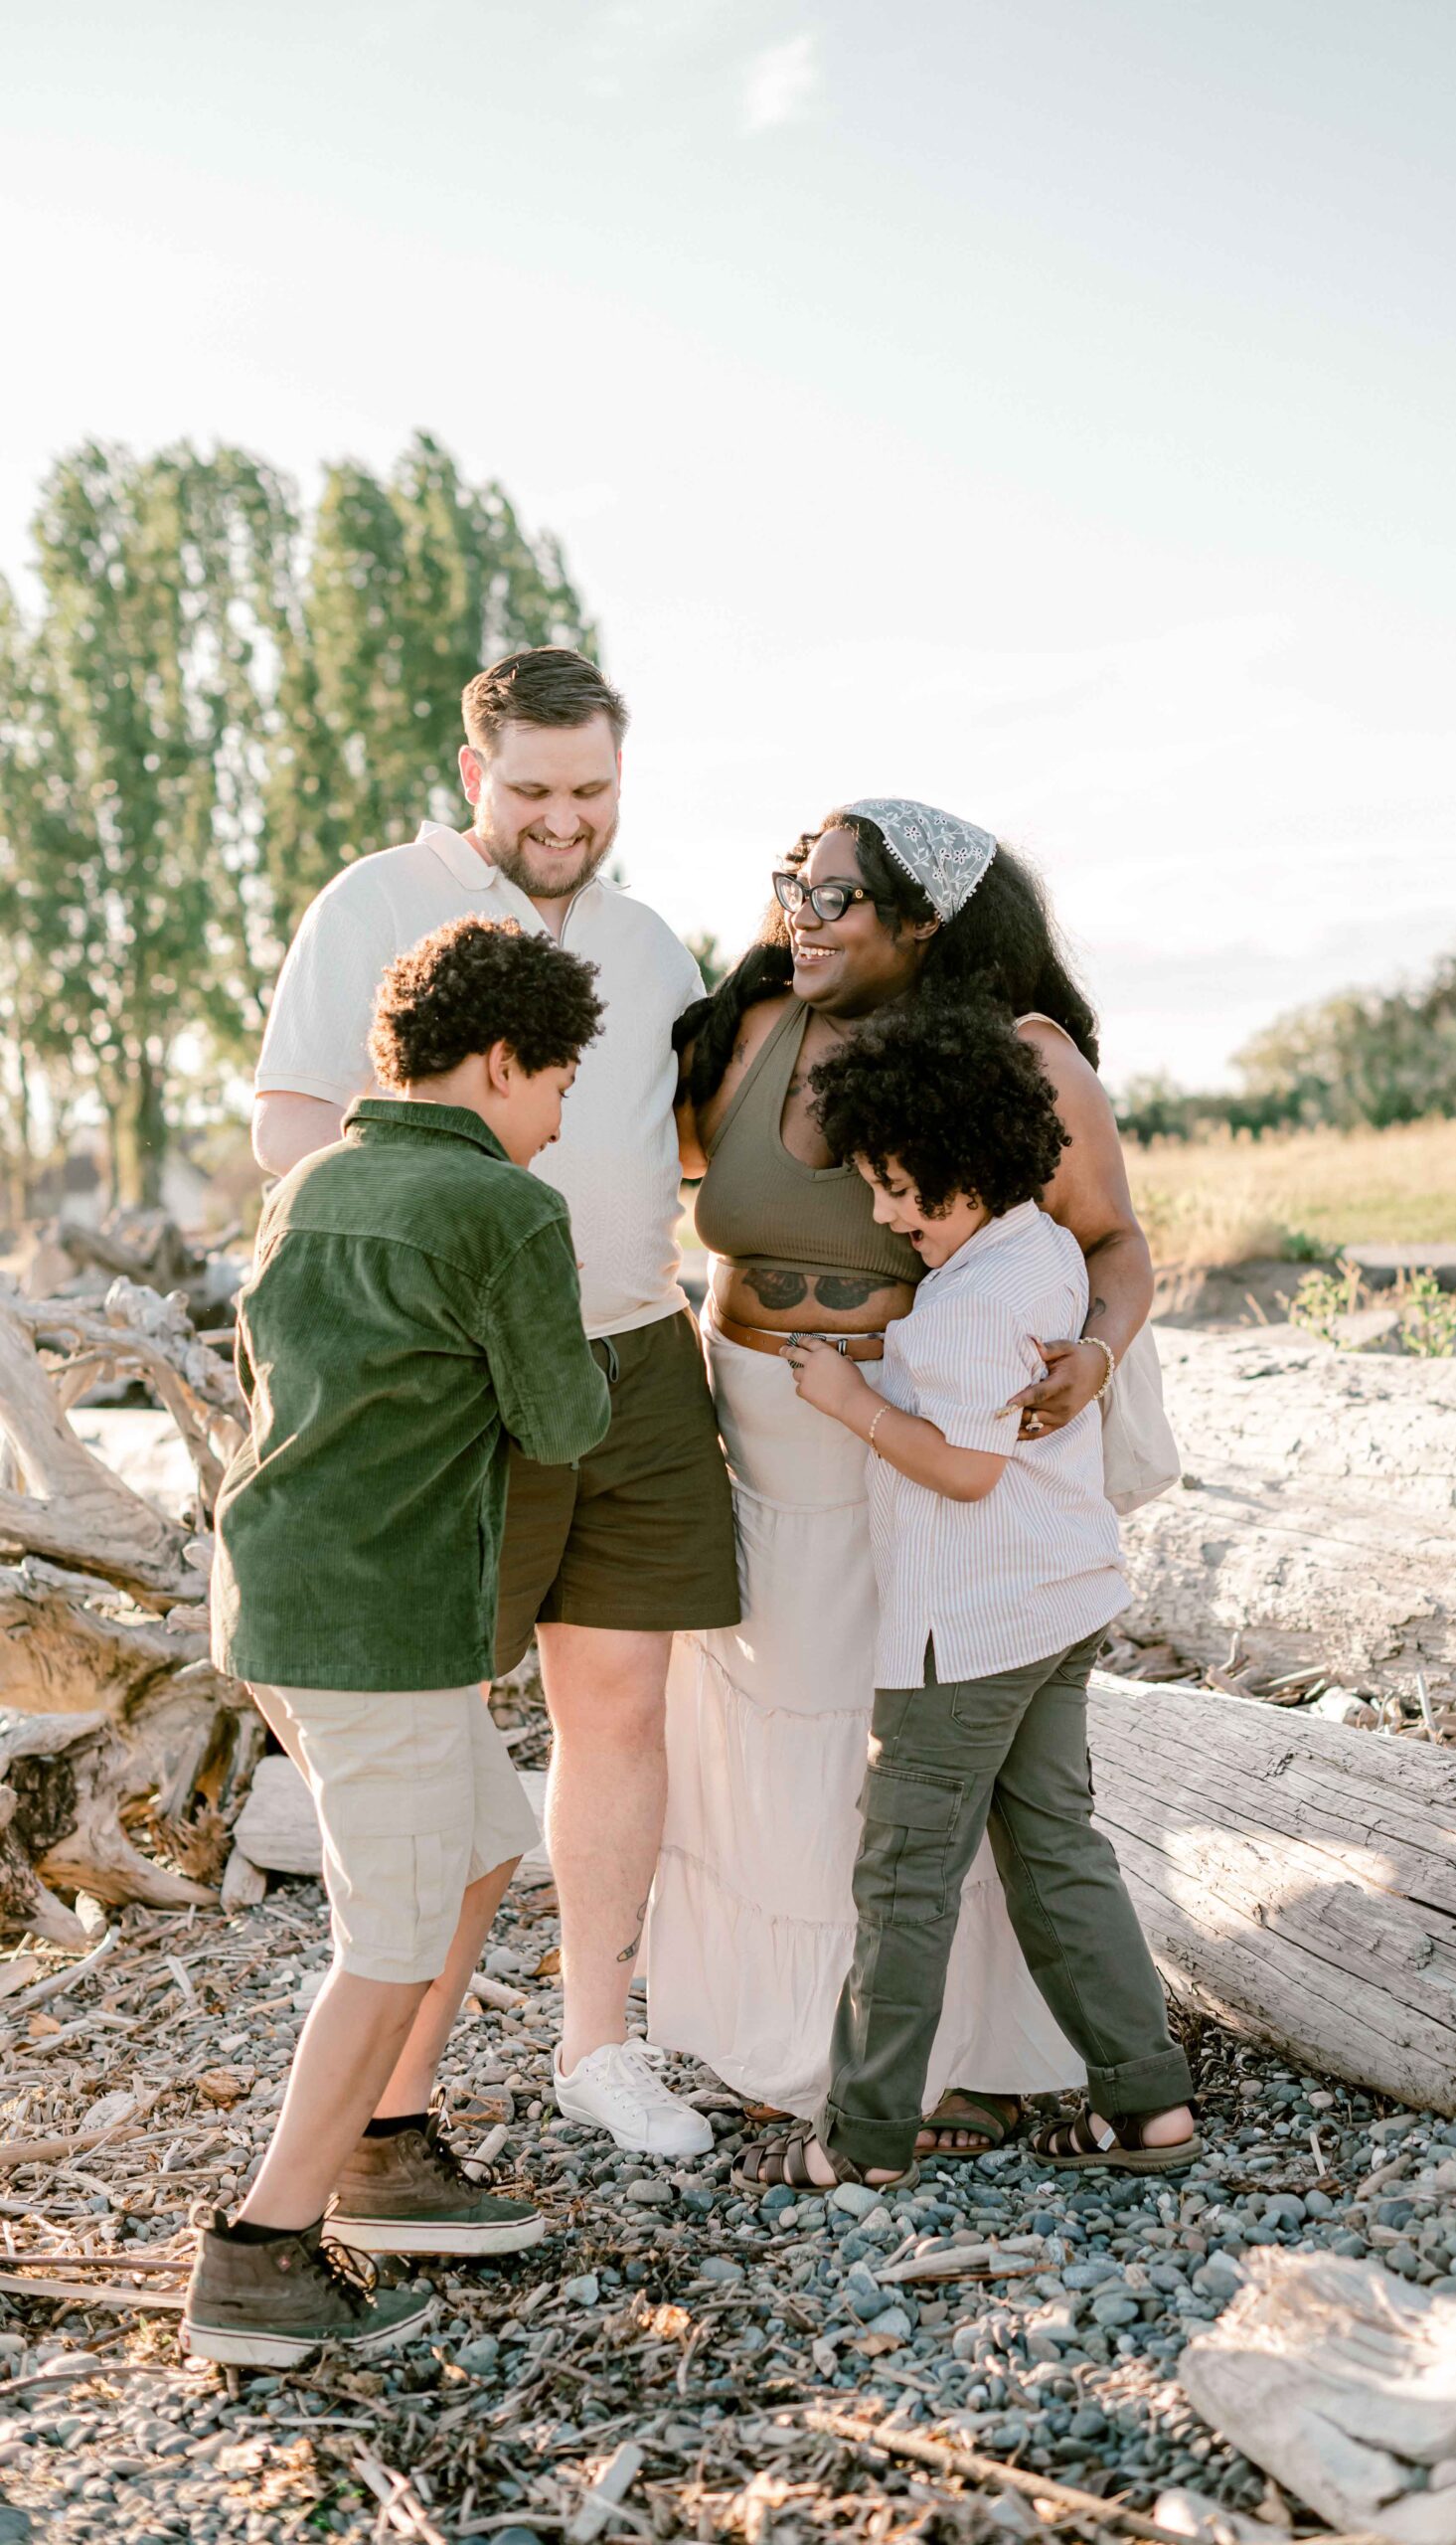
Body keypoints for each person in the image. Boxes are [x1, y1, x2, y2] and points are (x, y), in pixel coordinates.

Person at [249, 646, 737, 2159]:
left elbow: (696, 1144)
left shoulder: (653, 944)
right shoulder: (375, 905)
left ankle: (601, 2044)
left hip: (640, 1353)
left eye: (590, 790)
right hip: (460, 1381)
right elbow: (292, 1132)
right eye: (531, 789)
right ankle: (398, 2097)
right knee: (444, 1735)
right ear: (474, 774)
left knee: (620, 1706)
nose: (562, 818)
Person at [650, 798, 1159, 2153]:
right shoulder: (751, 1031)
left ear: (923, 921)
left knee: (933, 1762)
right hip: (760, 1424)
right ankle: (798, 2042)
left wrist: (1095, 1361)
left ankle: (979, 2063)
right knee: (786, 1735)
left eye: (834, 900)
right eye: (792, 889)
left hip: (932, 1438)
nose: (798, 919)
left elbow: (1114, 1245)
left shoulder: (1020, 1059)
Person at [188, 918, 611, 2366]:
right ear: (498, 1063)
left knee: (483, 1835)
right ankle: (263, 2250)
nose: (558, 1119)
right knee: (386, 1939)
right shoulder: (506, 1213)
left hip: (274, 1602)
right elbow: (561, 1422)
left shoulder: (307, 1184)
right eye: (557, 1084)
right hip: (381, 1628)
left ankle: (388, 2141)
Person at [730, 1003, 1197, 2191]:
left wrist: (850, 1401)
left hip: (968, 1631)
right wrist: (890, 1362)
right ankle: (1144, 2105)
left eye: (900, 1192)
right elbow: (977, 1389)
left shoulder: (970, 1301)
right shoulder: (1035, 1248)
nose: (884, 1215)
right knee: (1055, 1849)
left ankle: (863, 2136)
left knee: (902, 1874)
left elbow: (965, 1463)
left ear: (964, 1167)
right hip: (1056, 1607)